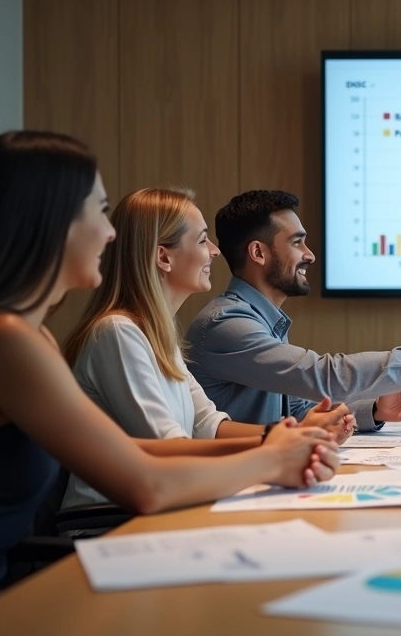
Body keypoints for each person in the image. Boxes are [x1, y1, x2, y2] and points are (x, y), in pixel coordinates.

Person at [0, 131, 340, 586]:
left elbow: (129, 449)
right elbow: (148, 483)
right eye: (98, 211)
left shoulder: (29, 337)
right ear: (47, 222)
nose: (110, 234)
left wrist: (277, 440)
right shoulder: (2, 341)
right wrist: (273, 458)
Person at [60, 188, 351, 508]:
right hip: (110, 524)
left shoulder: (158, 334)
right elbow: (168, 447)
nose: (214, 251)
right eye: (201, 240)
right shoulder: (117, 333)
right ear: (163, 257)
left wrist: (291, 436)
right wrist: (273, 447)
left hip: (162, 508)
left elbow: (209, 425)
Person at [185, 190, 401, 431]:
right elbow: (323, 377)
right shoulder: (227, 324)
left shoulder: (260, 319)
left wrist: (375, 409)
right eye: (297, 243)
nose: (310, 255)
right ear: (258, 252)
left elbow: (294, 410)